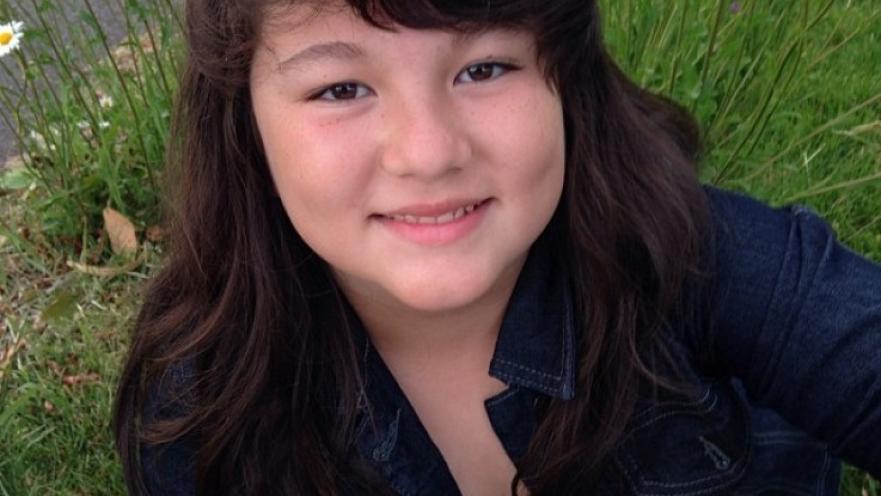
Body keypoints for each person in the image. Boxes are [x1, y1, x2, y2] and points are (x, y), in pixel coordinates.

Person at [112, 0, 881, 494]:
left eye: (484, 67)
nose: (427, 152)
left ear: (565, 87)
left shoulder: (696, 256)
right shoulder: (201, 409)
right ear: (244, 123)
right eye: (341, 89)